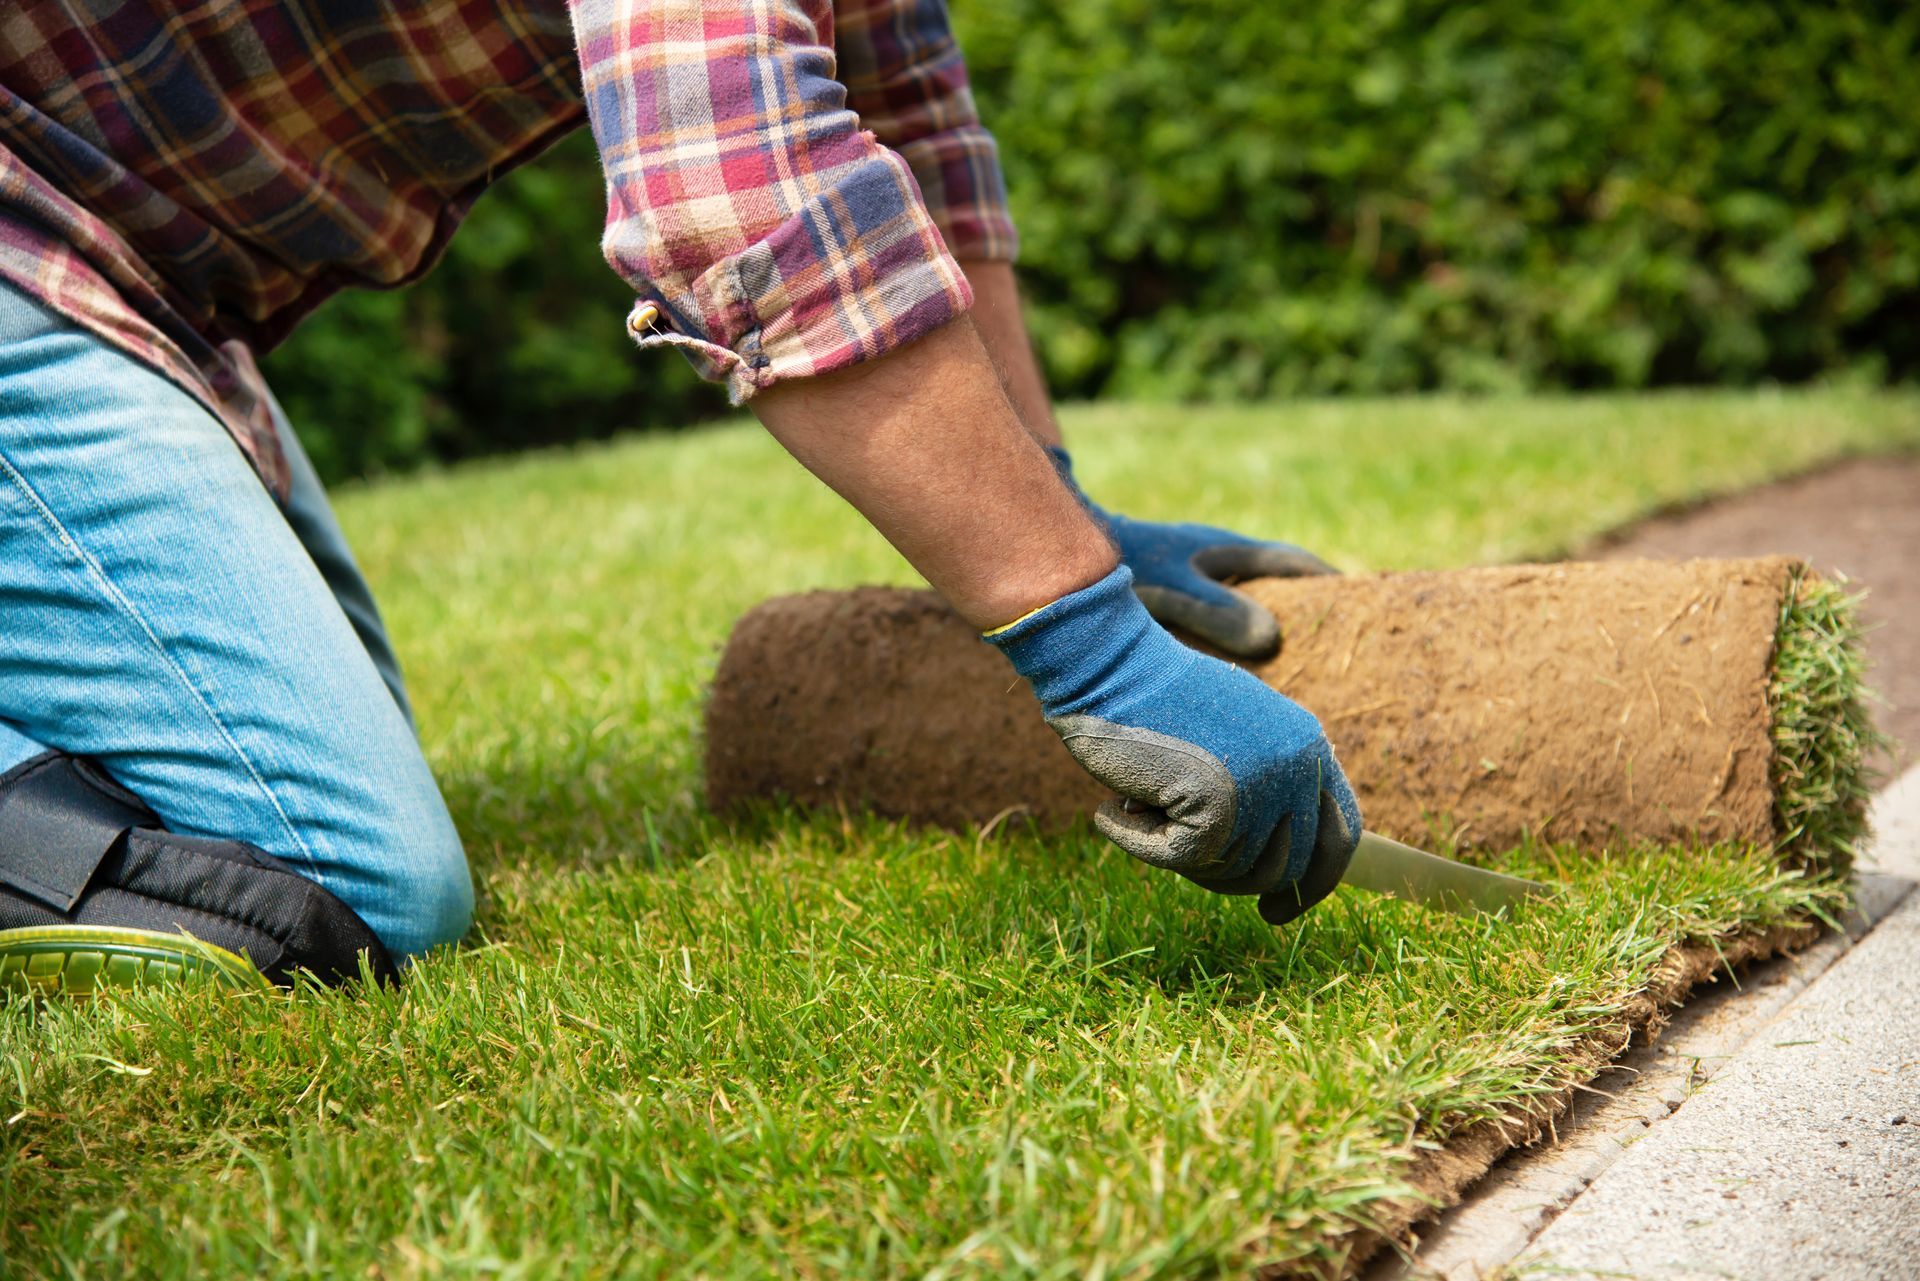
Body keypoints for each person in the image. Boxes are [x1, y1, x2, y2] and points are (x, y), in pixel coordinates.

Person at [0, 0, 1360, 994]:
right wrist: (1095, 645)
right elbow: (732, 190)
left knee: (204, 806)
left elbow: (905, 118)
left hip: (123, 277)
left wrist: (1061, 506)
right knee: (334, 885)